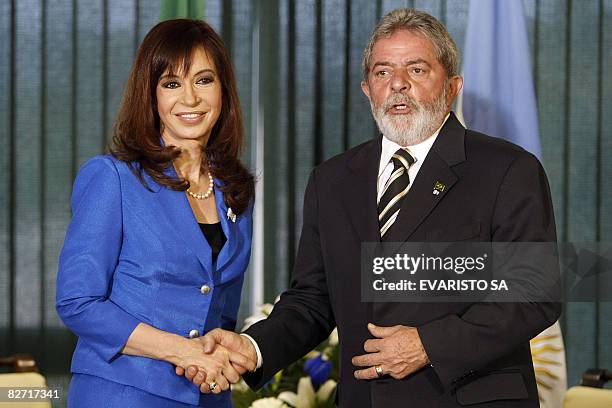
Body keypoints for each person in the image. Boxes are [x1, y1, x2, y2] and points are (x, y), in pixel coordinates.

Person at [182, 8, 561, 408]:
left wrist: (426, 344)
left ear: (452, 86)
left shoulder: (507, 169)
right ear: (367, 89)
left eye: (416, 70)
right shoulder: (331, 181)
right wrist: (252, 347)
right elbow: (313, 299)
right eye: (382, 72)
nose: (398, 84)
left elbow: (533, 295)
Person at [56, 19, 255, 407]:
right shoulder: (113, 177)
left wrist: (217, 357)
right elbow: (77, 302)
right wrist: (182, 351)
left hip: (208, 396)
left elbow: (220, 312)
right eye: (171, 84)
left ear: (223, 90)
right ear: (151, 96)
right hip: (120, 394)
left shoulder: (236, 188)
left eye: (203, 80)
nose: (190, 99)